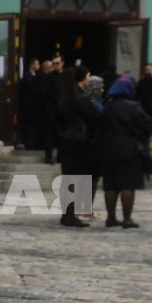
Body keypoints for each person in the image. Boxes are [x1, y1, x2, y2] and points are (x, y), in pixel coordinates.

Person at [94, 74, 152, 228]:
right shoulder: (134, 106)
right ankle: (127, 219)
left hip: (108, 150)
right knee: (127, 185)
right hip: (128, 150)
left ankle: (111, 218)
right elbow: (147, 125)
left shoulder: (107, 107)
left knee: (111, 185)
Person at [54, 64, 101, 228]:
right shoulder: (80, 98)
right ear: (83, 78)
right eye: (88, 76)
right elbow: (92, 119)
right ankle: (70, 214)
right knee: (76, 179)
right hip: (78, 141)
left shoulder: (65, 96)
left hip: (66, 140)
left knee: (68, 179)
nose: (89, 79)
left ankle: (67, 213)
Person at [135, 62, 152, 131]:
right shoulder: (142, 81)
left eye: (150, 69)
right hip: (144, 106)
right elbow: (137, 92)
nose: (148, 71)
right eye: (147, 69)